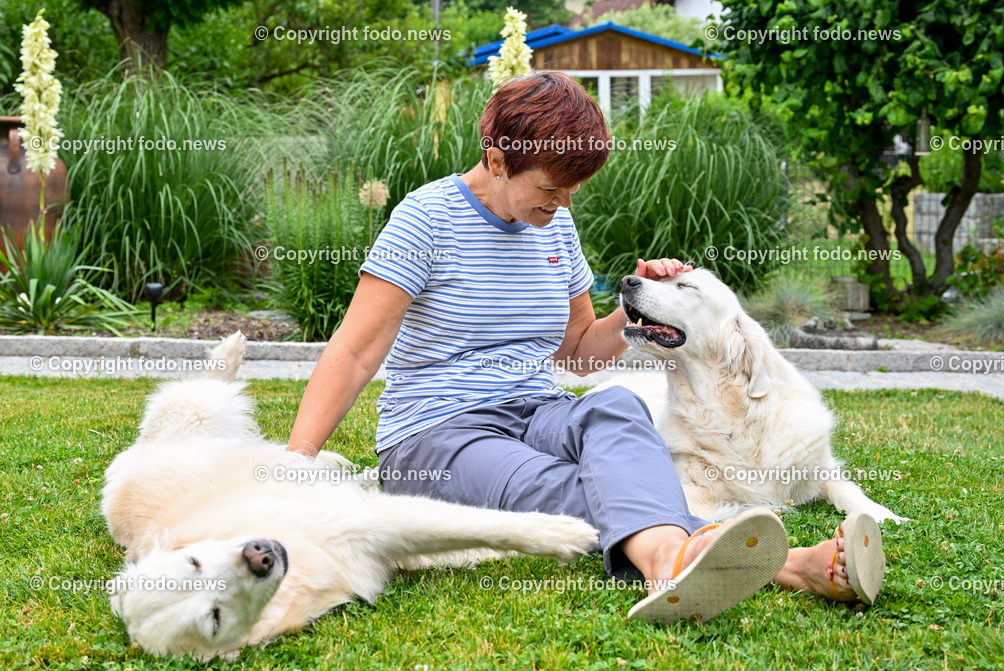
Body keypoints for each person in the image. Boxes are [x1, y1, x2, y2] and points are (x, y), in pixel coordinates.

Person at [286, 72, 880, 623]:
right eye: (552, 187)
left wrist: (637, 306)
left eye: (573, 189)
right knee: (564, 482)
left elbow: (577, 353)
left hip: (536, 410)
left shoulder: (554, 225)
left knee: (617, 408)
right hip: (439, 433)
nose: (565, 202)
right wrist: (293, 464)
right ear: (497, 160)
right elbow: (354, 353)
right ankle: (755, 564)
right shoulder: (425, 219)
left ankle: (685, 557)